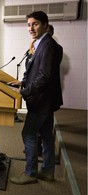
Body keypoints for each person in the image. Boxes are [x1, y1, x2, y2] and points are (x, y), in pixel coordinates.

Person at [8, 11, 63, 185]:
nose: (31, 28)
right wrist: (22, 82)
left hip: (41, 101)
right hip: (44, 100)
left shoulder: (48, 45)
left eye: (35, 24)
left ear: (45, 25)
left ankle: (30, 173)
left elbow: (44, 77)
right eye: (29, 24)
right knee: (46, 135)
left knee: (28, 133)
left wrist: (24, 91)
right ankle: (47, 171)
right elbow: (36, 72)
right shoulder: (42, 43)